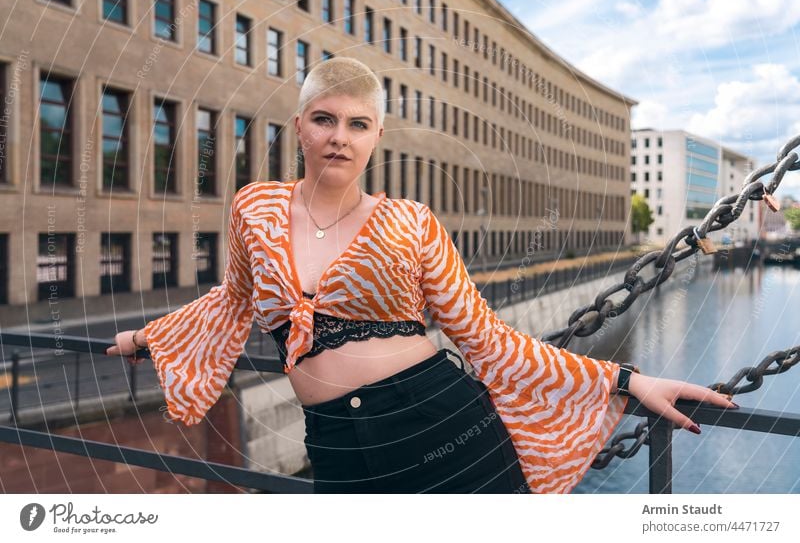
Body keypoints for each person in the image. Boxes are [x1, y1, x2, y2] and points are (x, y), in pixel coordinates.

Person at [106, 57, 737, 493]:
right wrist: (149, 337)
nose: (339, 137)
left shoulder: (411, 220)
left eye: (358, 124)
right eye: (325, 119)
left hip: (443, 424)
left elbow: (485, 340)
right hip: (335, 444)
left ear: (376, 136)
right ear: (299, 126)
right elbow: (232, 299)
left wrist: (626, 378)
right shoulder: (255, 208)